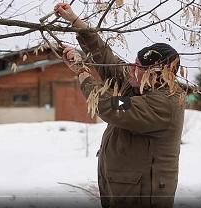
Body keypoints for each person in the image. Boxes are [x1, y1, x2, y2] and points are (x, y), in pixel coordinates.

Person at [55, 3, 185, 208]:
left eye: (138, 66)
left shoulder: (163, 104)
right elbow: (105, 56)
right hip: (124, 189)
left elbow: (110, 105)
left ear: (156, 74)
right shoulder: (137, 86)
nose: (130, 68)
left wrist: (81, 71)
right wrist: (74, 20)